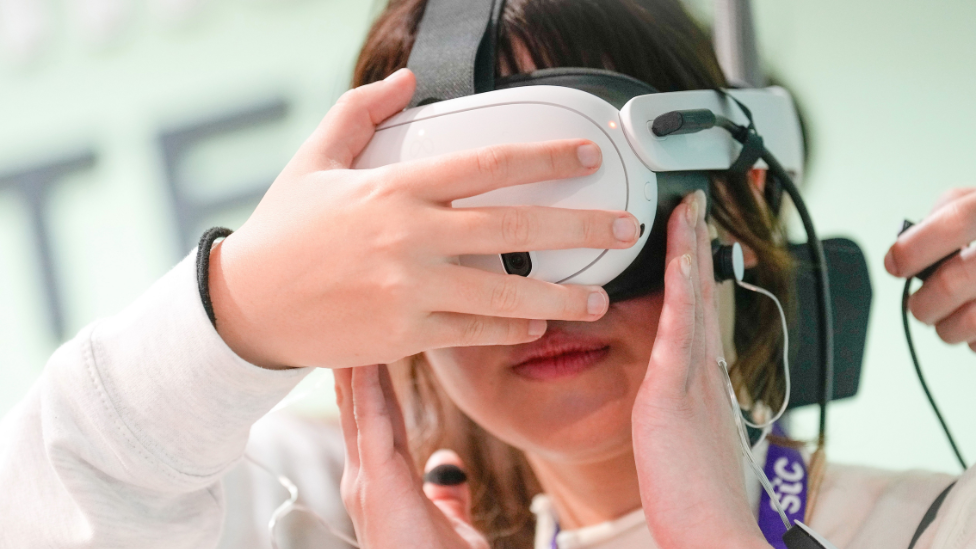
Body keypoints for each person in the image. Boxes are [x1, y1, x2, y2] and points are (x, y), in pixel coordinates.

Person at [1, 1, 975, 549]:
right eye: (458, 232)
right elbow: (54, 501)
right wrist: (240, 313)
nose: (541, 294)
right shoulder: (321, 521)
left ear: (735, 199)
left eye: (592, 205)